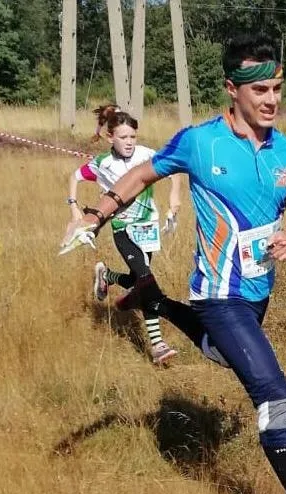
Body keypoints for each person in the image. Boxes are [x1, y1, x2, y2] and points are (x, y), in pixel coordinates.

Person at [59, 33, 286, 494]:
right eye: (260, 89)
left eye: (277, 88)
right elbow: (139, 176)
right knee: (273, 390)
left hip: (257, 292)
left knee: (221, 356)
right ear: (232, 89)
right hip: (218, 295)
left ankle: (152, 300)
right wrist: (94, 213)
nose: (271, 99)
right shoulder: (200, 143)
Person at [64, 105, 182, 365]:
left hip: (148, 227)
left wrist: (174, 198)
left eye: (133, 137)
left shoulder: (147, 155)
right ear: (110, 138)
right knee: (146, 279)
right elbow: (74, 177)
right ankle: (157, 344)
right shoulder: (102, 164)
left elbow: (173, 169)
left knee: (139, 280)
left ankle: (107, 275)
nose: (129, 142)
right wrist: (73, 208)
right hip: (122, 228)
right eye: (123, 137)